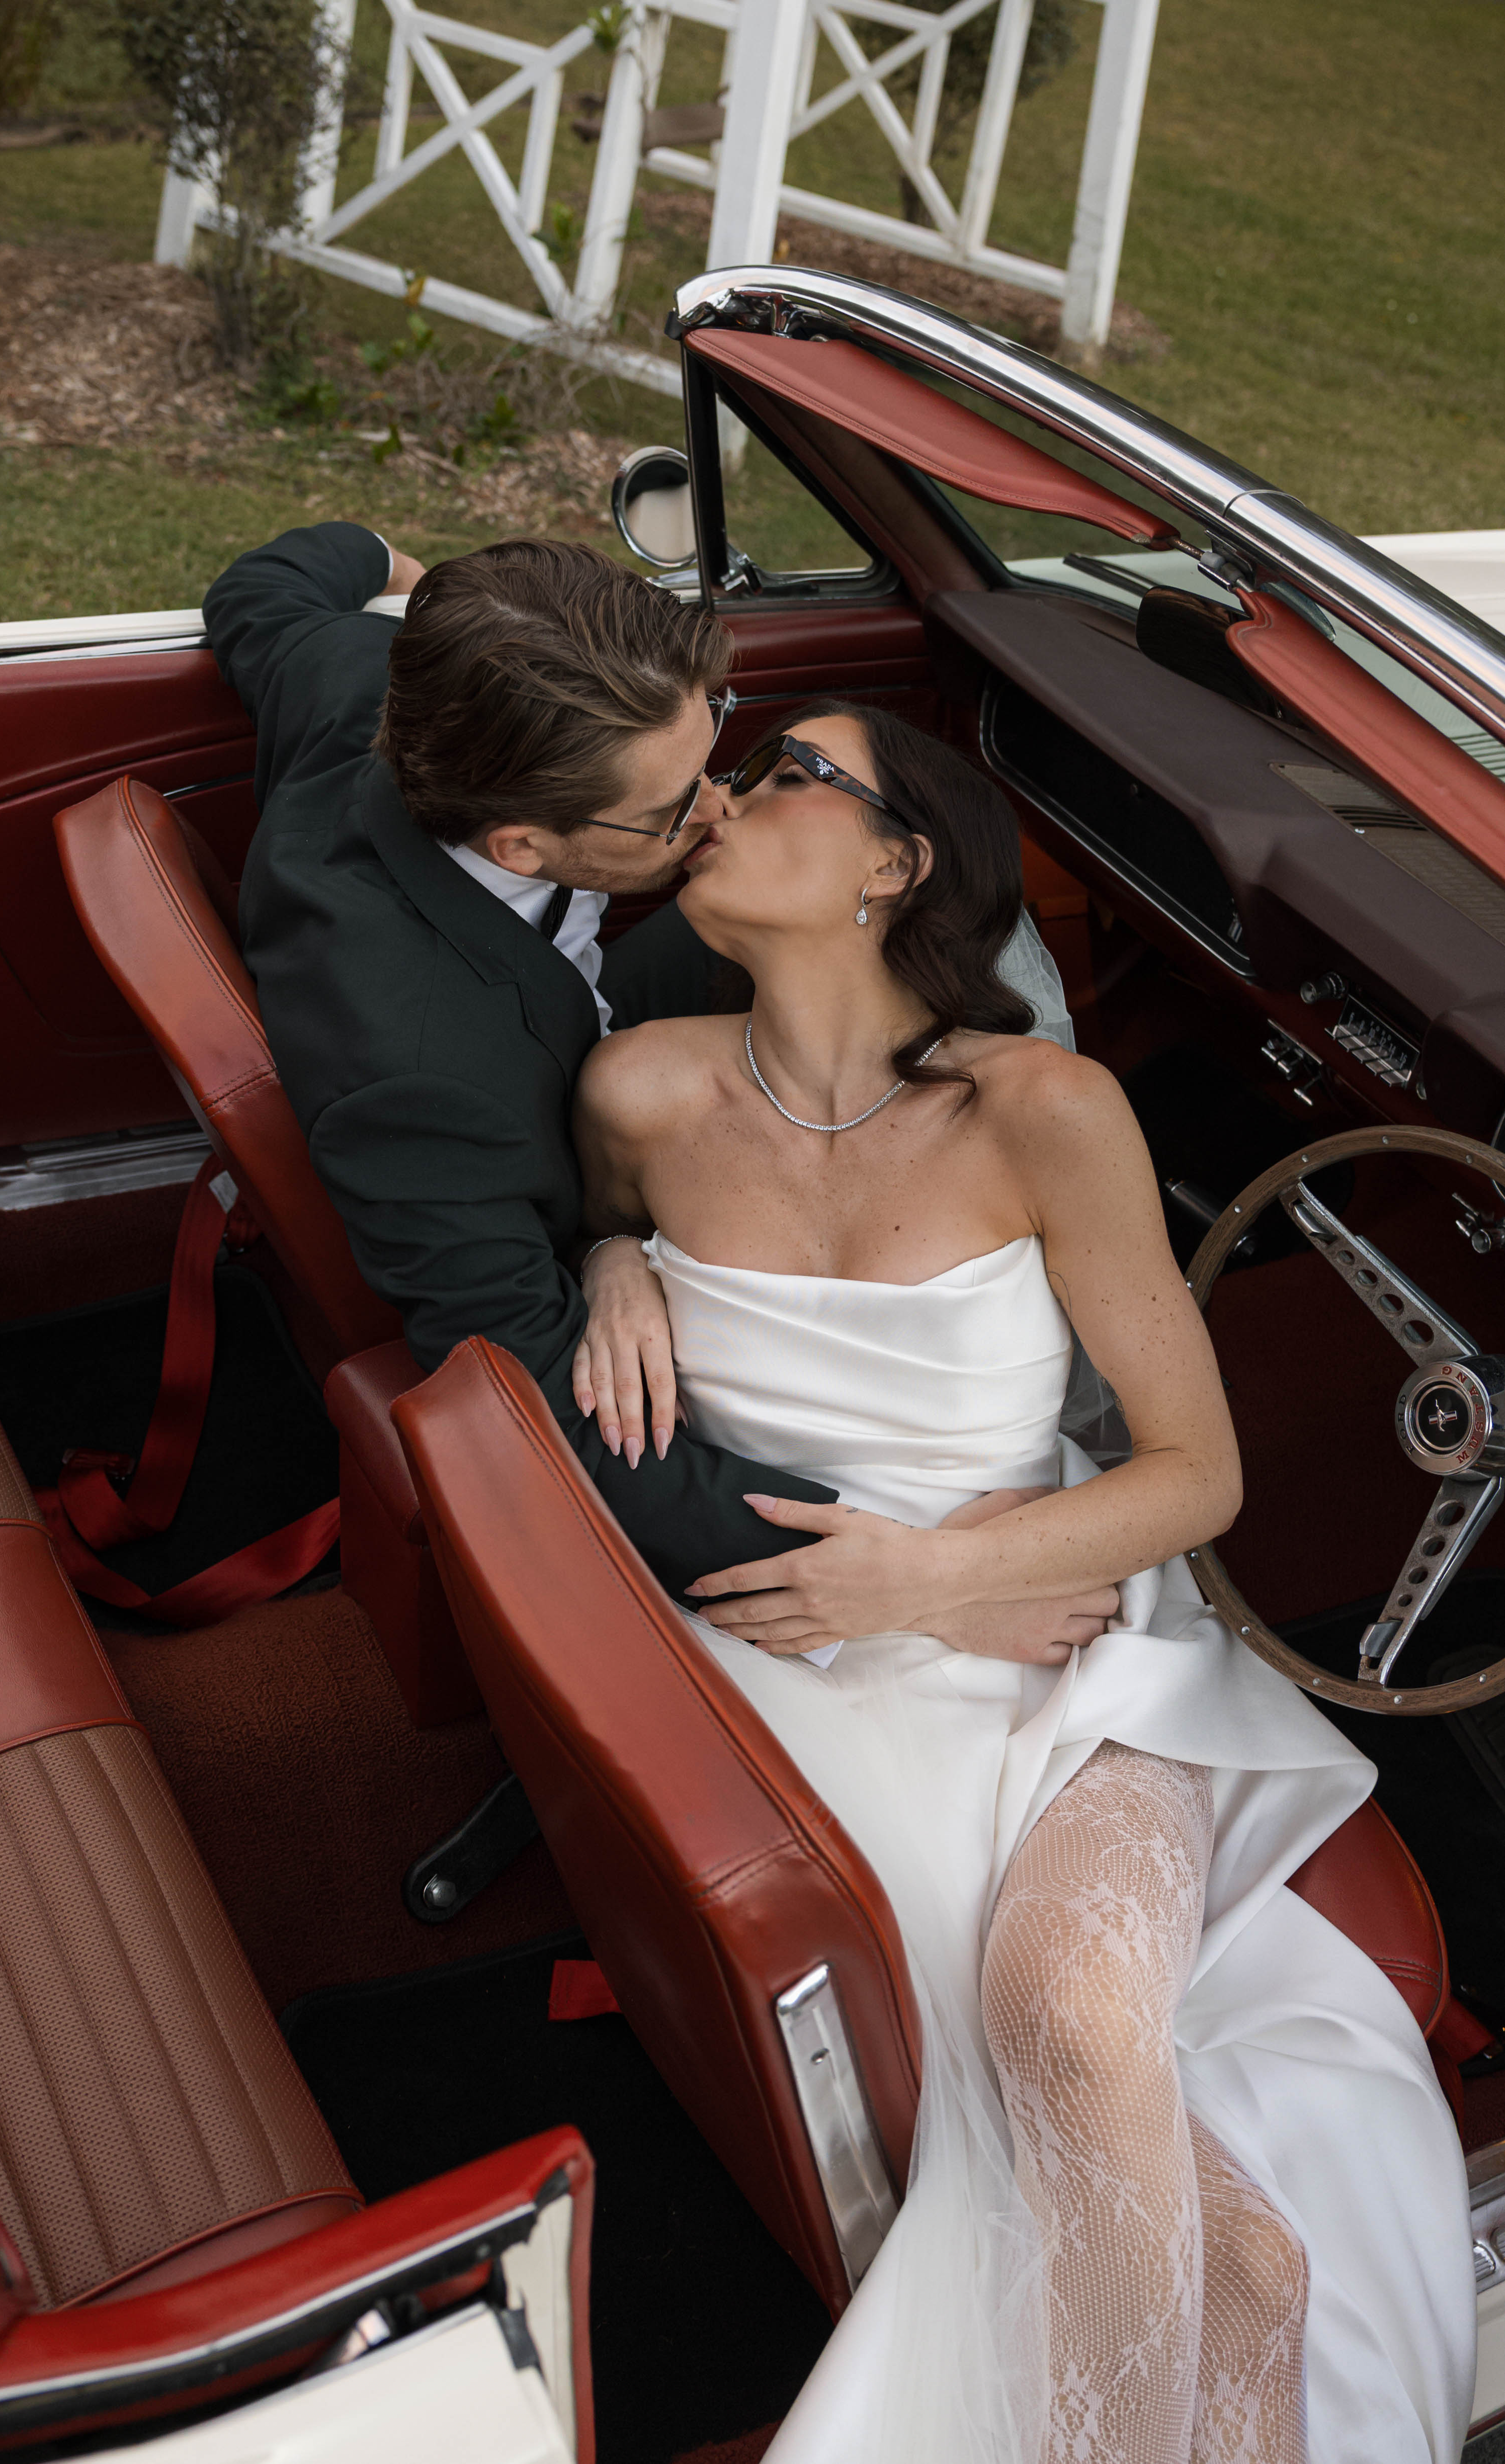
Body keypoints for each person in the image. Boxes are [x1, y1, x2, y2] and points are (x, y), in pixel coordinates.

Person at [573, 701, 1474, 2463]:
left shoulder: (1049, 1108)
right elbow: (594, 1242)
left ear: (895, 868)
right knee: (1118, 2133)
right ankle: (1242, 2297)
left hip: (1062, 1636)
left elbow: (1191, 1474)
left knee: (1069, 2022)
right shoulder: (640, 1089)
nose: (727, 796)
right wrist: (614, 1258)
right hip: (796, 1675)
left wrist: (931, 1574)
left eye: (782, 777)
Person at [203, 520, 1080, 1625]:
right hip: (543, 1100)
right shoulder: (420, 1087)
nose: (717, 807)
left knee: (924, 892)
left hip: (580, 1015)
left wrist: (411, 579)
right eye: (674, 809)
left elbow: (261, 581)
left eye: (710, 749)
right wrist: (915, 1577)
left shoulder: (362, 682)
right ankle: (1070, 1407)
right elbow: (543, 1411)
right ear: (520, 844)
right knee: (960, 941)